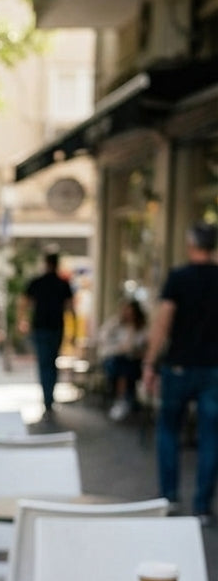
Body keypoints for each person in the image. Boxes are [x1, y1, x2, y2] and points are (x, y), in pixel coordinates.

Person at [142, 220, 218, 524]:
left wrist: (150, 363)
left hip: (178, 367)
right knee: (211, 437)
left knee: (168, 431)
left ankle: (169, 497)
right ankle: (202, 507)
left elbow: (163, 323)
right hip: (213, 370)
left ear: (190, 245)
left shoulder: (179, 278)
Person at [19, 248, 75, 419]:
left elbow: (24, 302)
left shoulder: (38, 282)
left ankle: (48, 399)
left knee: (44, 364)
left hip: (42, 327)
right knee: (51, 363)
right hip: (56, 328)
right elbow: (71, 308)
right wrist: (73, 331)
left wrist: (23, 320)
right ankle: (49, 399)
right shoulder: (62, 283)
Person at [98, 297, 148, 421]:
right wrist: (119, 348)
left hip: (134, 362)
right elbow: (103, 339)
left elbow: (144, 346)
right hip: (114, 359)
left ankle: (123, 399)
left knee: (127, 367)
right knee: (122, 366)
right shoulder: (115, 324)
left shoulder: (141, 328)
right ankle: (124, 399)